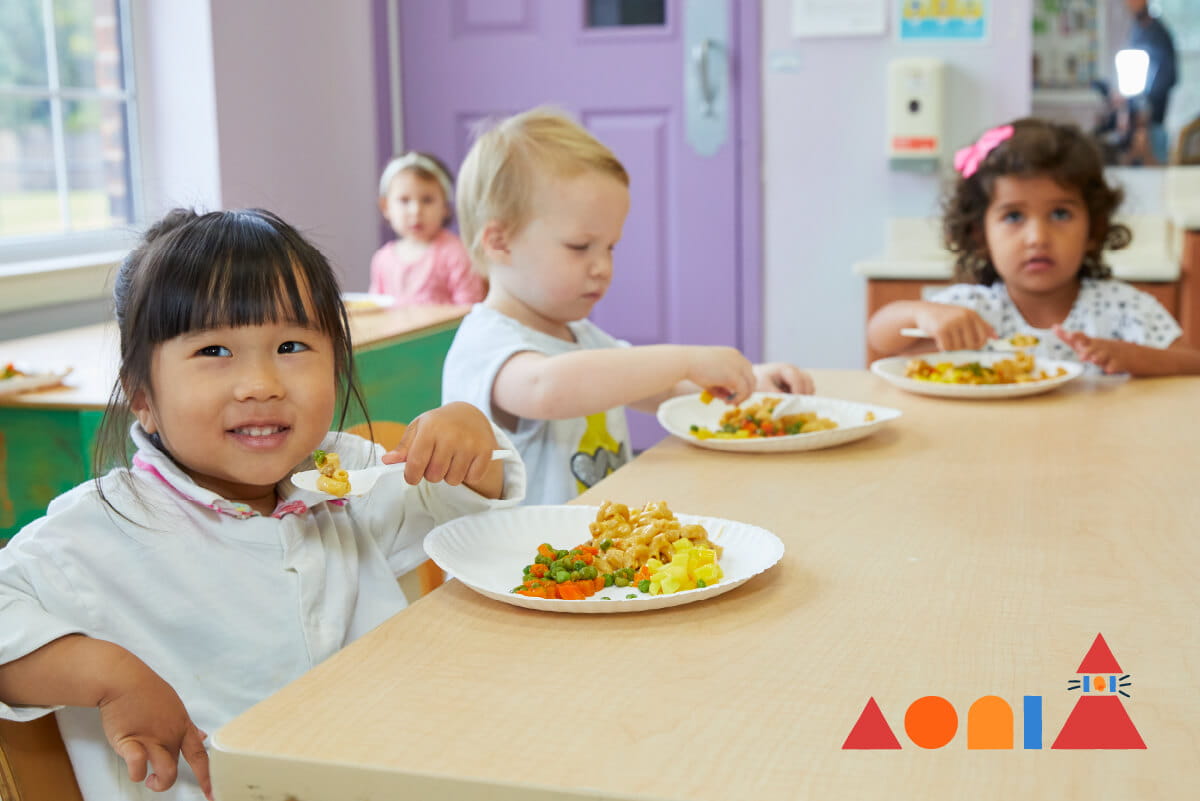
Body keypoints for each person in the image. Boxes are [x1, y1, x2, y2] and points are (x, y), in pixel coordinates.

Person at [0, 208, 525, 800]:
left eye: (292, 345)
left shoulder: (348, 477)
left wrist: (468, 436)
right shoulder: (96, 531)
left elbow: (470, 513)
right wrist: (108, 677)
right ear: (143, 395)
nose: (261, 383)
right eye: (214, 352)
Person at [442, 107, 815, 505]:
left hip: (591, 553)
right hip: (512, 562)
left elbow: (662, 386)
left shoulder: (581, 336)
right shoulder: (486, 345)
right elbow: (546, 387)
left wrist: (745, 379)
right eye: (580, 247)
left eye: (610, 247)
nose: (603, 267)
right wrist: (686, 359)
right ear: (499, 242)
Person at [867, 118, 1200, 376]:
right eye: (1013, 216)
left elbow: (1192, 364)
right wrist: (923, 314)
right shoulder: (970, 310)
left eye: (1060, 214)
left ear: (1093, 229)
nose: (1037, 237)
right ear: (980, 234)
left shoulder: (1126, 311)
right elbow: (879, 335)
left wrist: (1136, 358)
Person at [369, 151, 486, 305]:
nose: (416, 210)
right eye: (404, 200)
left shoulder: (455, 254)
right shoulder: (382, 259)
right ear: (385, 207)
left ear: (445, 206)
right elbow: (376, 307)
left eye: (427, 200)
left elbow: (469, 306)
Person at [1125, 0, 1177, 165]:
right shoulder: (1137, 31)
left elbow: (1170, 75)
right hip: (1135, 117)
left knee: (1156, 165)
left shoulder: (1159, 33)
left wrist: (1148, 103)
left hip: (1155, 116)